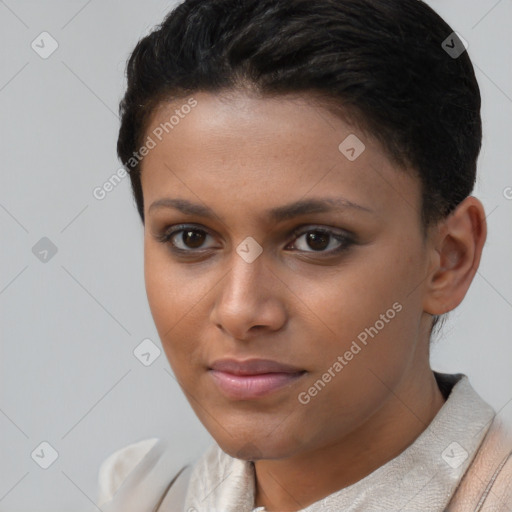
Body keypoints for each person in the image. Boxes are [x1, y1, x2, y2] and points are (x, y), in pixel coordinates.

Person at [95, 0, 512, 510]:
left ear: (449, 259)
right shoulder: (147, 498)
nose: (241, 311)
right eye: (191, 237)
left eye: (317, 240)